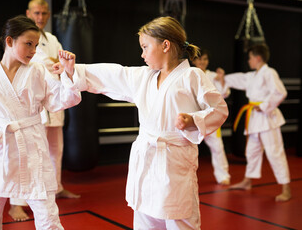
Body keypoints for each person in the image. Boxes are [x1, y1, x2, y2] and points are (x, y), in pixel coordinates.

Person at [56, 16, 229, 230]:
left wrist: (194, 119)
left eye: (145, 47)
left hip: (174, 161)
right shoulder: (145, 76)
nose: (142, 54)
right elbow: (115, 74)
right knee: (145, 218)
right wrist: (75, 70)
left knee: (179, 219)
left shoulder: (192, 76)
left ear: (165, 45)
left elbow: (219, 109)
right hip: (146, 159)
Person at [0, 15, 81, 229]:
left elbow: (60, 100)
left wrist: (68, 73)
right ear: (9, 41)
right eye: (28, 44)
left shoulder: (37, 71)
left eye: (36, 45)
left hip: (32, 142)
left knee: (46, 209)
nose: (33, 51)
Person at [8, 0, 80, 222]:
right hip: (33, 102)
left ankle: (56, 186)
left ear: (48, 15)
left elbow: (56, 61)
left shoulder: (52, 39)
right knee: (27, 152)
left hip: (53, 97)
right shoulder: (23, 40)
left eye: (44, 14)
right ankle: (16, 203)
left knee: (55, 148)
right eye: (36, 13)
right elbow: (41, 62)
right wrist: (52, 64)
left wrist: (54, 64)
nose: (40, 17)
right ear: (29, 14)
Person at [216, 43, 291, 202]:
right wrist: (223, 78)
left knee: (274, 152)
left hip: (267, 118)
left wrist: (263, 106)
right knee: (252, 151)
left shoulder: (269, 73)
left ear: (257, 58)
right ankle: (247, 181)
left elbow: (280, 92)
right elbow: (240, 78)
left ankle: (286, 188)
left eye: (250, 58)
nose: (248, 60)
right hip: (255, 118)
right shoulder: (254, 75)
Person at [191, 49, 231, 185]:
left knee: (217, 147)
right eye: (199, 59)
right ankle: (185, 177)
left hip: (210, 116)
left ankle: (223, 175)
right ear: (194, 60)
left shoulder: (213, 76)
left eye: (205, 59)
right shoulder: (188, 74)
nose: (202, 62)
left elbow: (225, 94)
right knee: (187, 147)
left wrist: (222, 80)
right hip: (192, 116)